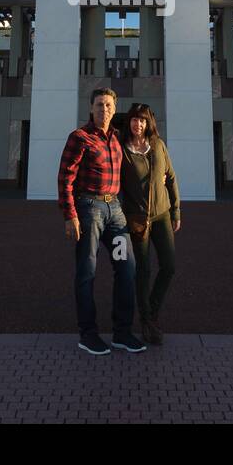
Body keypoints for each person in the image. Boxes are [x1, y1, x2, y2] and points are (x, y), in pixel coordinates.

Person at [58, 87, 146, 355]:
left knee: (126, 267)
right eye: (99, 105)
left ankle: (121, 333)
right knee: (87, 271)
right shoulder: (80, 137)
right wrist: (70, 215)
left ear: (114, 108)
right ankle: (88, 334)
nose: (104, 109)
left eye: (108, 105)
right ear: (91, 108)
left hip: (115, 211)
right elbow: (65, 178)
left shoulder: (117, 138)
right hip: (89, 209)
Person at [117, 103, 181, 346]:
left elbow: (171, 178)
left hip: (162, 215)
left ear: (149, 122)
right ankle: (146, 320)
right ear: (129, 122)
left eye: (143, 120)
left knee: (169, 266)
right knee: (143, 271)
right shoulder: (123, 151)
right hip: (137, 219)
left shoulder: (158, 146)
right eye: (134, 119)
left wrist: (176, 211)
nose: (138, 124)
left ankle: (151, 311)